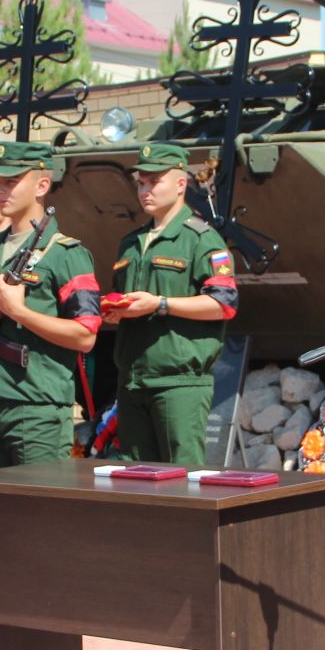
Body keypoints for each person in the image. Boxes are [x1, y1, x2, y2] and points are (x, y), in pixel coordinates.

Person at [0, 140, 101, 471]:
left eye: (11, 182)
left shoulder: (67, 254)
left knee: (40, 515)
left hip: (37, 410)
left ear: (42, 185)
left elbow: (85, 335)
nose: (1, 190)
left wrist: (20, 313)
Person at [107, 143, 240, 465]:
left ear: (181, 184)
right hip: (133, 378)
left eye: (154, 181)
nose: (145, 190)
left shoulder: (201, 239)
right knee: (134, 479)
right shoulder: (131, 243)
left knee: (183, 479)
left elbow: (224, 304)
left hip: (179, 383)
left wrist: (160, 304)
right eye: (141, 182)